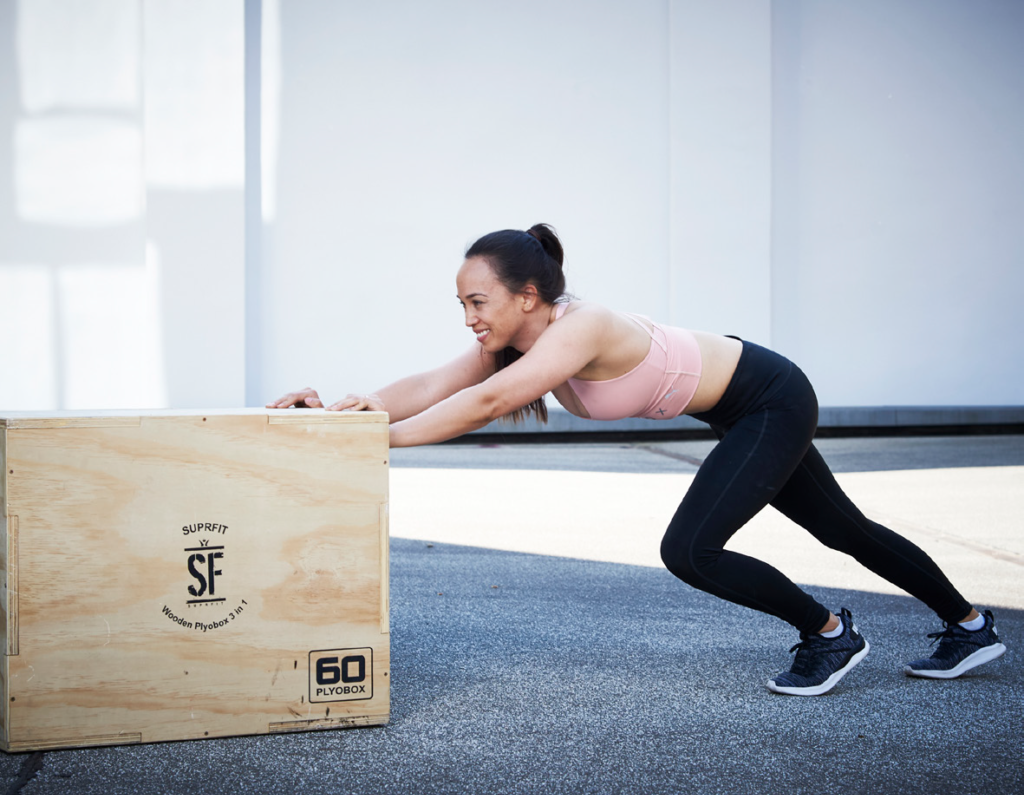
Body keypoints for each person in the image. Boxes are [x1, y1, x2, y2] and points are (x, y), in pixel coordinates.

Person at [268, 223, 1006, 696]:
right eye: (462, 304)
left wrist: (381, 441)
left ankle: (829, 634)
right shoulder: (516, 337)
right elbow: (435, 384)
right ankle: (970, 626)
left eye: (478, 301)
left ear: (529, 295)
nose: (470, 318)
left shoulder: (581, 327)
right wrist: (348, 413)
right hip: (742, 407)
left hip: (771, 397)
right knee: (842, 527)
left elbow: (489, 404)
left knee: (691, 549)